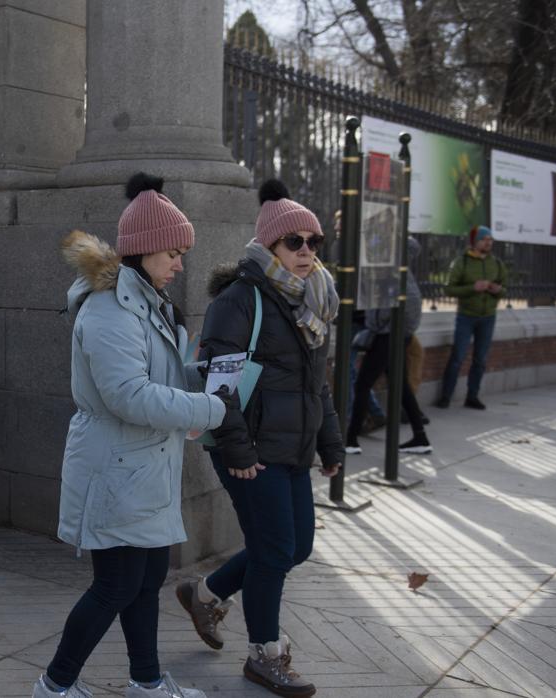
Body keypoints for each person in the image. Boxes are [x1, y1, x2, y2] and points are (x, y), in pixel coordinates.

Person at [33, 173, 230, 698]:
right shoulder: (109, 309)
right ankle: (54, 687)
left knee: (145, 583)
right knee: (116, 585)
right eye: (173, 252)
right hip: (117, 465)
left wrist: (202, 377)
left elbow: (156, 383)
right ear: (143, 251)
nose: (180, 263)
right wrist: (211, 407)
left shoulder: (148, 303)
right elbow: (128, 396)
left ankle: (146, 682)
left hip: (143, 466)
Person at [175, 179, 343, 698]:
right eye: (294, 242)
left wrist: (331, 443)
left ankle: (205, 595)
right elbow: (220, 386)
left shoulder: (310, 302)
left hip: (291, 447)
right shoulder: (239, 299)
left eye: (313, 242)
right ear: (269, 245)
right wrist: (239, 451)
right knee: (273, 552)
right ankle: (265, 656)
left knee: (296, 547)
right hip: (248, 451)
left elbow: (318, 386)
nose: (307, 252)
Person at [344, 236, 432, 455]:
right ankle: (420, 437)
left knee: (363, 384)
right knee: (400, 385)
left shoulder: (390, 268)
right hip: (395, 332)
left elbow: (385, 306)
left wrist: (374, 326)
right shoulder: (398, 267)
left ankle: (351, 440)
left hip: (387, 334)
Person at [435, 225, 508, 409]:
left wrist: (498, 290)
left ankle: (472, 396)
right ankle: (446, 396)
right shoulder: (462, 262)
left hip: (488, 317)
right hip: (466, 316)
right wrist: (472, 288)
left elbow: (504, 289)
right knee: (458, 357)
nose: (488, 242)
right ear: (475, 243)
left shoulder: (497, 263)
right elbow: (448, 289)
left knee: (480, 360)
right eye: (485, 239)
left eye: (490, 239)